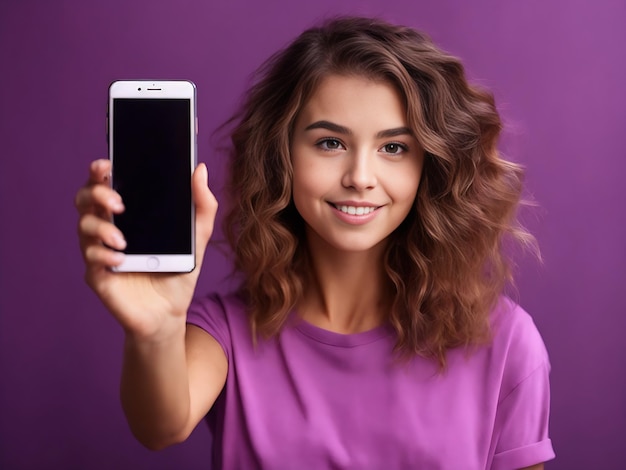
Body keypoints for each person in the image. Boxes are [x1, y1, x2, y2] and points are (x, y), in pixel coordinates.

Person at [75, 16, 555, 470]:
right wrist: (157, 330)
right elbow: (161, 425)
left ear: (429, 164)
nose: (360, 178)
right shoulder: (225, 332)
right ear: (281, 154)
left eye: (394, 148)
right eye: (330, 143)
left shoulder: (508, 344)